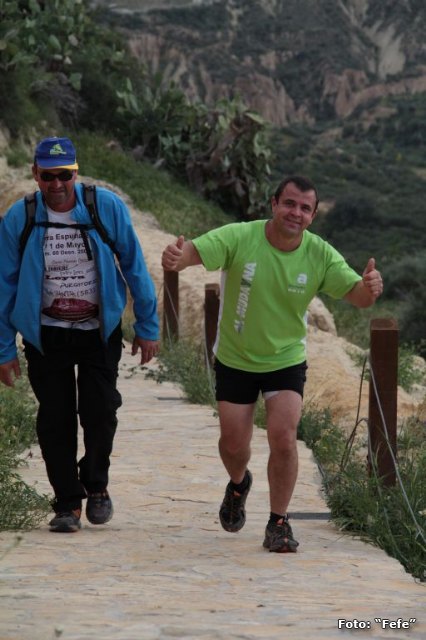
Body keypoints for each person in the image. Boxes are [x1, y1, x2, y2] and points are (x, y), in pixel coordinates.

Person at [162, 175, 383, 553]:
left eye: (305, 208)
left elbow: (358, 297)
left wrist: (370, 287)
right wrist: (177, 258)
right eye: (290, 204)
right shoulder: (240, 236)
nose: (296, 213)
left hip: (285, 360)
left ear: (313, 215)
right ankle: (238, 484)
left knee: (283, 437)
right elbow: (194, 253)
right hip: (235, 358)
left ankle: (278, 521)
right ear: (274, 204)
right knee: (233, 444)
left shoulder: (319, 254)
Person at [0, 136, 159, 533]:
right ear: (35, 174)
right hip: (46, 334)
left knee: (100, 411)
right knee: (55, 418)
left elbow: (134, 265)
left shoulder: (104, 207)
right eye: (48, 176)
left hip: (98, 331)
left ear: (76, 172)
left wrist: (147, 325)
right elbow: (4, 284)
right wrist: (4, 349)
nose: (57, 184)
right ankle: (67, 504)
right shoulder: (21, 217)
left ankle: (96, 484)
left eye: (64, 175)